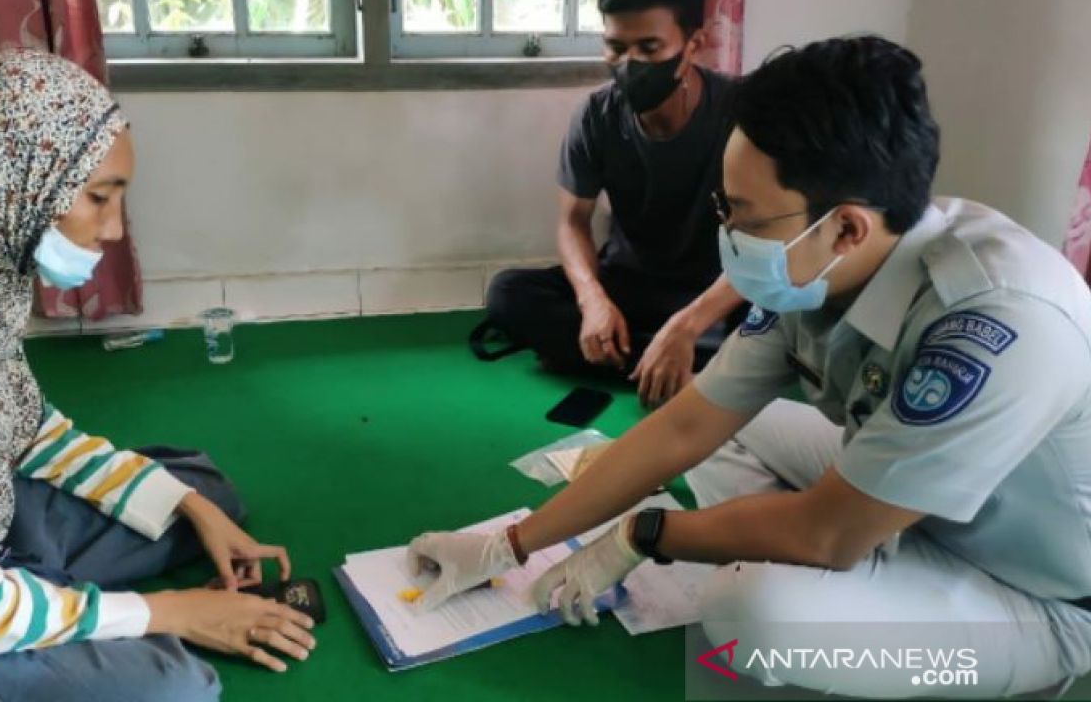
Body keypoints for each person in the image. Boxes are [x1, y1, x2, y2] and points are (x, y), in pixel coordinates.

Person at [409, 35, 1091, 697]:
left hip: (1039, 588)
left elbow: (831, 533)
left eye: (744, 217)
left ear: (845, 226)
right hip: (905, 502)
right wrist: (509, 545)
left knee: (751, 619)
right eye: (723, 208)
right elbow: (686, 427)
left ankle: (979, 649)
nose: (727, 237)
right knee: (722, 425)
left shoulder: (998, 321)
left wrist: (644, 534)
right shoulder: (823, 263)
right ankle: (830, 569)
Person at [0, 50, 316, 701]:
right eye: (98, 198)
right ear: (9, 178)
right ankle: (44, 615)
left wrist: (189, 505)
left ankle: (49, 597)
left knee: (205, 490)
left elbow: (33, 435)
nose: (114, 228)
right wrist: (173, 612)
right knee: (176, 687)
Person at [481, 0, 744, 408]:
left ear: (694, 44)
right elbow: (572, 222)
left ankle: (654, 354)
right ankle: (677, 364)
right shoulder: (596, 116)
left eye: (650, 48)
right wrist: (592, 301)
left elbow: (770, 245)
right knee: (507, 292)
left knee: (782, 315)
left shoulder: (741, 113)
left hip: (717, 293)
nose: (630, 64)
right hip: (631, 284)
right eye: (616, 47)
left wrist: (688, 325)